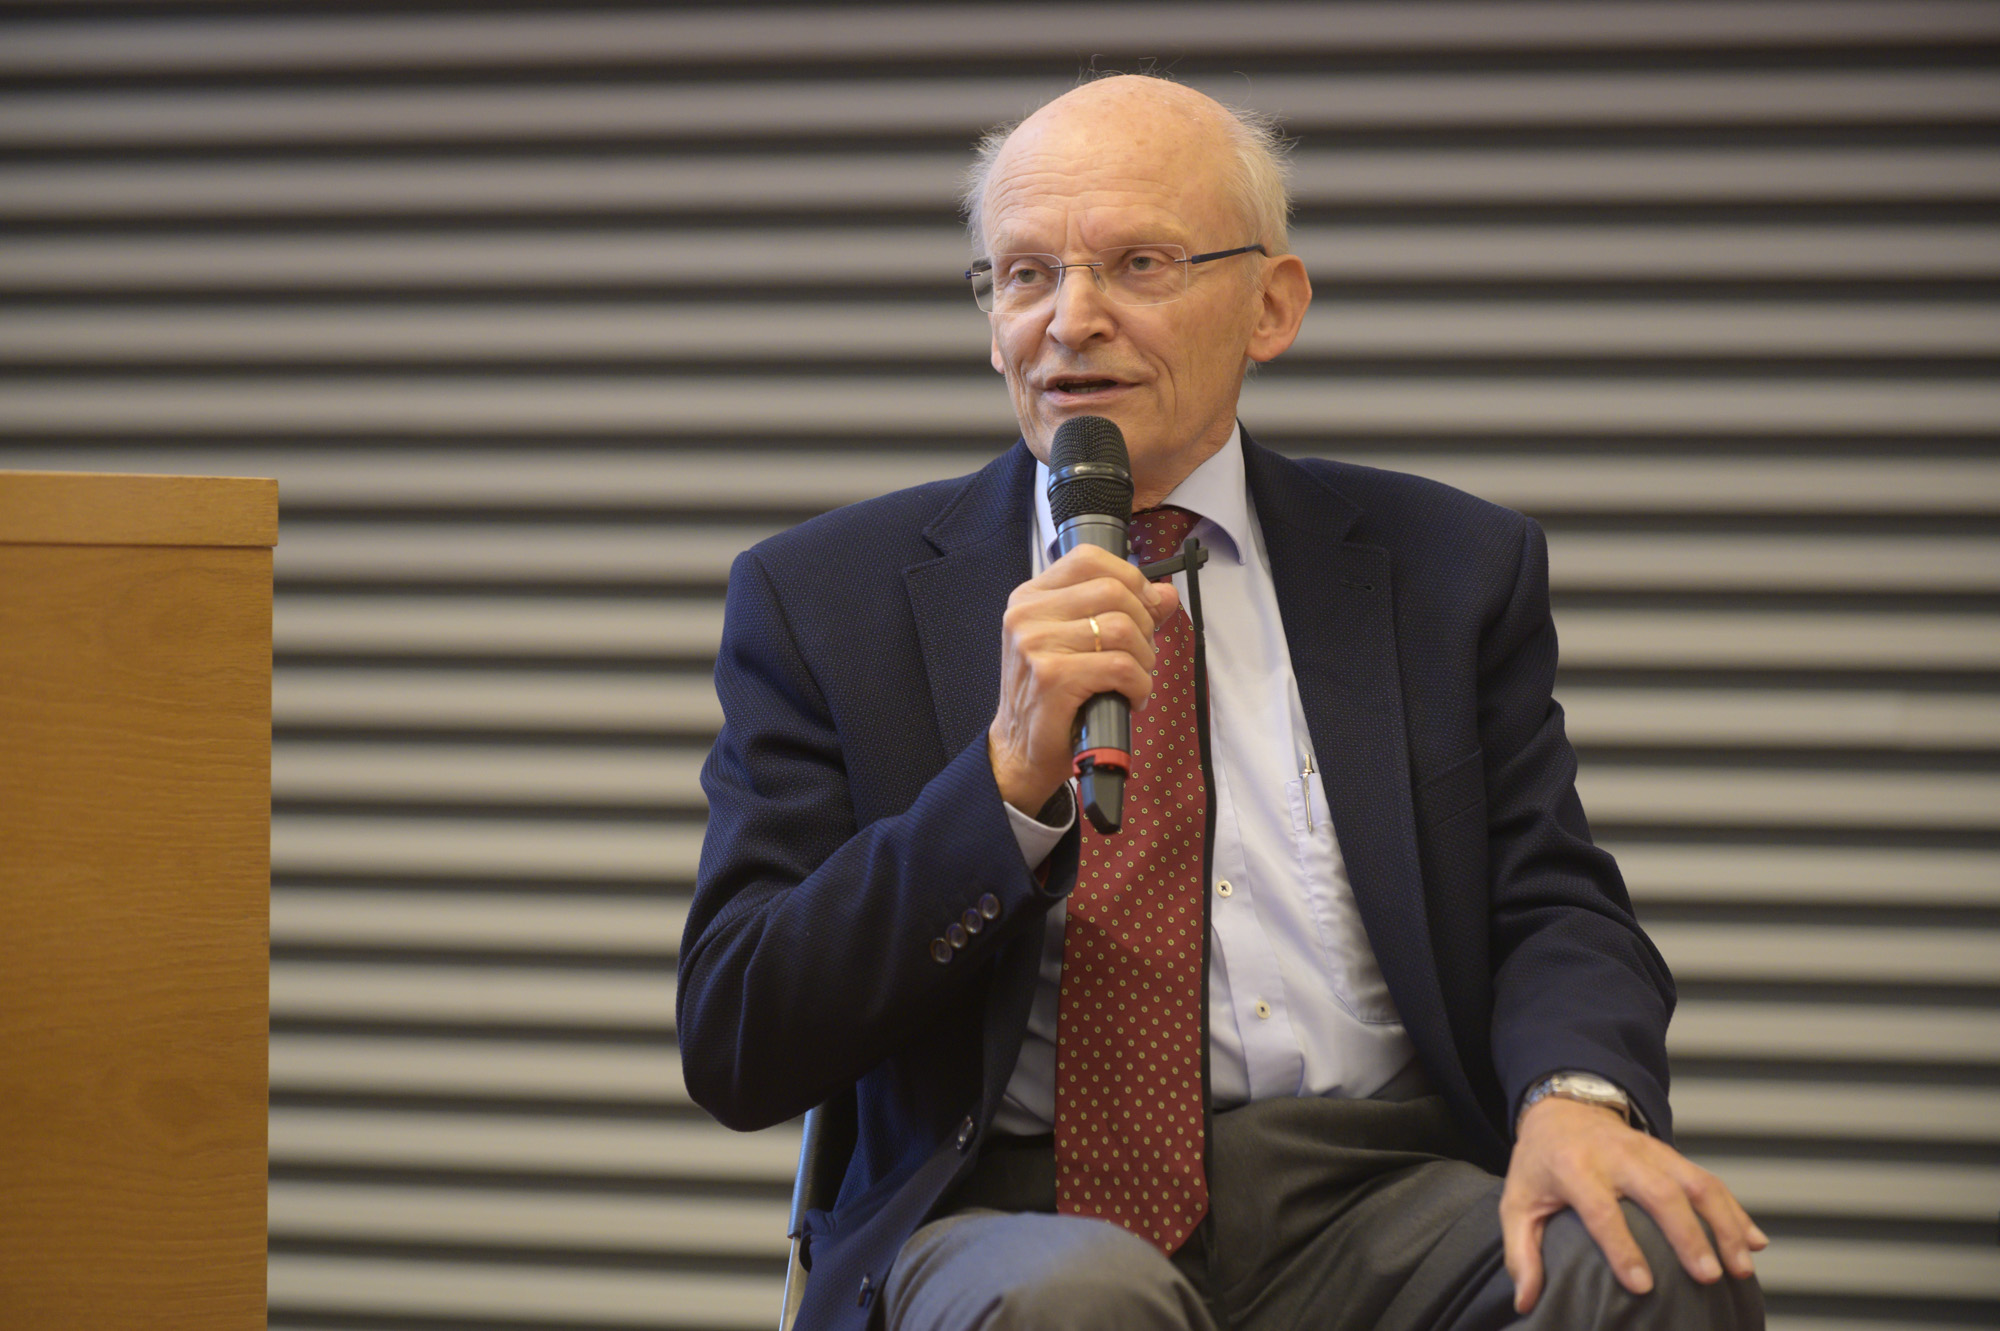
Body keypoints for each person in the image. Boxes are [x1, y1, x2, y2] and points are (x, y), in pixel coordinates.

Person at [678, 74, 1766, 1331]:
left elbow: (1551, 902)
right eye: (1023, 275)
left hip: (1374, 1190)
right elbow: (739, 1035)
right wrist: (1000, 786)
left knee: (1651, 1256)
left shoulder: (1444, 569)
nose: (1068, 322)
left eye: (1136, 263)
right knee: (1080, 1303)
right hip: (1004, 1214)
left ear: (1271, 304)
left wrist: (1575, 1098)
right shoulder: (828, 598)